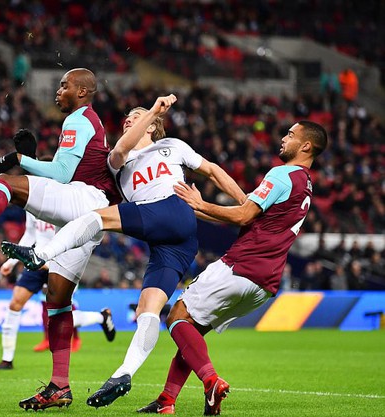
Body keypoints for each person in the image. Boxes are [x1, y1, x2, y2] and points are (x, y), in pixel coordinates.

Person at [1, 95, 245, 408]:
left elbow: (212, 170)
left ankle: (41, 256)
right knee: (149, 310)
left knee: (96, 218)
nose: (129, 120)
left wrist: (247, 205)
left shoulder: (173, 145)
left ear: (154, 127)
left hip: (172, 213)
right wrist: (152, 111)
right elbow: (120, 147)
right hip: (169, 237)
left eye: (136, 116)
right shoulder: (118, 162)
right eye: (127, 117)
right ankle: (124, 374)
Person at [0, 68, 122, 410]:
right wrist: (32, 162)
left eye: (65, 85)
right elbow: (63, 172)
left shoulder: (78, 119)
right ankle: (59, 385)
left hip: (82, 200)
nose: (58, 91)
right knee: (57, 301)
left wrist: (17, 160)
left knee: (5, 183)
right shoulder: (89, 122)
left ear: (83, 92)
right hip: (93, 218)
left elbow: (60, 176)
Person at [136, 120, 327, 415]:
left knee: (176, 317)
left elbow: (243, 215)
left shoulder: (282, 175)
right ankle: (166, 401)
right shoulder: (305, 183)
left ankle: (211, 381)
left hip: (242, 266)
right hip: (265, 283)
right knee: (193, 331)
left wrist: (200, 203)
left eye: (290, 135)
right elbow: (250, 219)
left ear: (306, 146)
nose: (283, 138)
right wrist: (197, 209)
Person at [0, 212, 115, 371]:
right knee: (15, 304)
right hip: (37, 261)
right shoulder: (31, 202)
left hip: (63, 262)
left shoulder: (63, 201)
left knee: (58, 317)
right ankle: (7, 360)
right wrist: (12, 261)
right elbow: (30, 234)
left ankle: (101, 317)